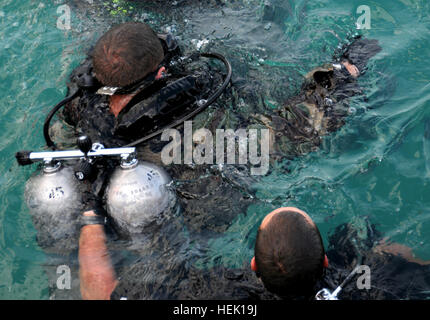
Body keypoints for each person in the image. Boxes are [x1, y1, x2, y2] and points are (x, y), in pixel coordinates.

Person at [250, 207, 430, 300]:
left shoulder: (227, 287)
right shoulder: (365, 282)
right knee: (351, 234)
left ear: (254, 265)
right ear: (325, 261)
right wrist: (391, 254)